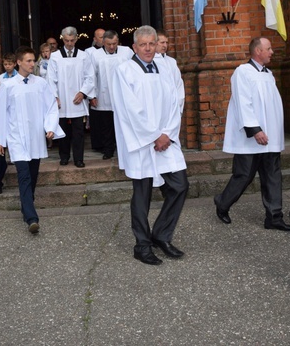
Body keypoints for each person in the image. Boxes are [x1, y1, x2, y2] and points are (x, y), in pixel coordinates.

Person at [111, 25, 189, 266]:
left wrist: (167, 134)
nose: (147, 48)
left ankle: (161, 235)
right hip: (142, 142)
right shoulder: (124, 71)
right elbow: (129, 109)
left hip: (166, 140)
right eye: (142, 44)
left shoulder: (164, 70)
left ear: (157, 45)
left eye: (151, 44)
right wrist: (154, 136)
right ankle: (142, 245)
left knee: (180, 185)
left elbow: (175, 102)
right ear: (134, 47)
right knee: (142, 195)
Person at [214, 37, 290, 231]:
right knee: (244, 175)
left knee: (273, 175)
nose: (272, 52)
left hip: (270, 137)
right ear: (258, 51)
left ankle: (274, 217)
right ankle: (222, 204)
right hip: (251, 137)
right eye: (269, 48)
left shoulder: (268, 74)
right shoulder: (243, 72)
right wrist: (255, 129)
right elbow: (243, 102)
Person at [0, 47, 64, 234]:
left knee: (32, 176)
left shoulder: (40, 83)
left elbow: (51, 107)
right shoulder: (7, 85)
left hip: (35, 137)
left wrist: (50, 127)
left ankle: (26, 206)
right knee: (23, 175)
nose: (33, 64)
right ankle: (32, 218)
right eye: (29, 61)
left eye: (33, 61)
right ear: (19, 62)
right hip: (16, 137)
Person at [47, 26, 95, 168]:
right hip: (61, 99)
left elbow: (90, 77)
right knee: (63, 130)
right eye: (66, 40)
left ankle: (78, 158)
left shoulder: (83, 56)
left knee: (78, 132)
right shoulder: (55, 57)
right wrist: (55, 97)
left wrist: (83, 93)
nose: (69, 44)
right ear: (63, 39)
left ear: (76, 39)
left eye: (72, 40)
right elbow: (51, 79)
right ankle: (64, 156)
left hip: (77, 99)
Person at [88, 30, 133, 160]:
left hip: (124, 95)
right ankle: (108, 150)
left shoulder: (127, 52)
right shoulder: (95, 55)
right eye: (109, 44)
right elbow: (91, 76)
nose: (112, 47)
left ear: (118, 41)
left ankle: (126, 149)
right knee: (106, 125)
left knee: (125, 123)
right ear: (103, 43)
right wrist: (92, 96)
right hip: (104, 95)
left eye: (114, 43)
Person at [153, 29, 185, 113]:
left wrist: (179, 103)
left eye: (166, 43)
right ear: (155, 43)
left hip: (174, 106)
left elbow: (178, 84)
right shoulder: (150, 61)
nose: (165, 45)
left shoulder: (171, 62)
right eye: (162, 42)